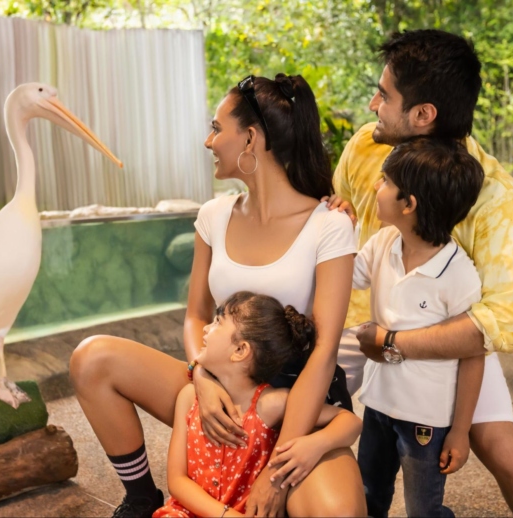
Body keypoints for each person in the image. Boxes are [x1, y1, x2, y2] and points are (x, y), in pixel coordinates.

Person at [70, 72, 365, 518]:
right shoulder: (213, 215)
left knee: (338, 513)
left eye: (215, 128)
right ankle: (142, 498)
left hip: (296, 403)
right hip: (224, 385)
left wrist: (276, 471)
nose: (208, 141)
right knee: (92, 358)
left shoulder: (329, 225)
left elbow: (323, 353)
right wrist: (203, 381)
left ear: (250, 138)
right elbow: (195, 316)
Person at [331, 29, 513, 516]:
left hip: (436, 331)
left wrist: (392, 343)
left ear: (423, 114)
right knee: (289, 406)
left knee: (500, 447)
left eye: (384, 95)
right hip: (357, 320)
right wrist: (336, 212)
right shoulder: (366, 145)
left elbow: (498, 323)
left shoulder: (496, 197)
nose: (373, 105)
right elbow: (339, 205)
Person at [352, 137, 485, 517]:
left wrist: (460, 431)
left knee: (423, 509)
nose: (375, 186)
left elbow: (473, 355)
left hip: (426, 420)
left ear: (408, 204)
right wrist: (336, 223)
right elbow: (346, 274)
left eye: (385, 181)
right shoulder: (384, 243)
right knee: (367, 495)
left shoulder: (458, 275)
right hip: (377, 405)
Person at [155, 291, 362, 518]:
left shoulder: (270, 404)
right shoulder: (188, 397)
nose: (205, 329)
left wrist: (314, 445)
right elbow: (177, 480)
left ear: (240, 350)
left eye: (217, 322)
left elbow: (350, 421)